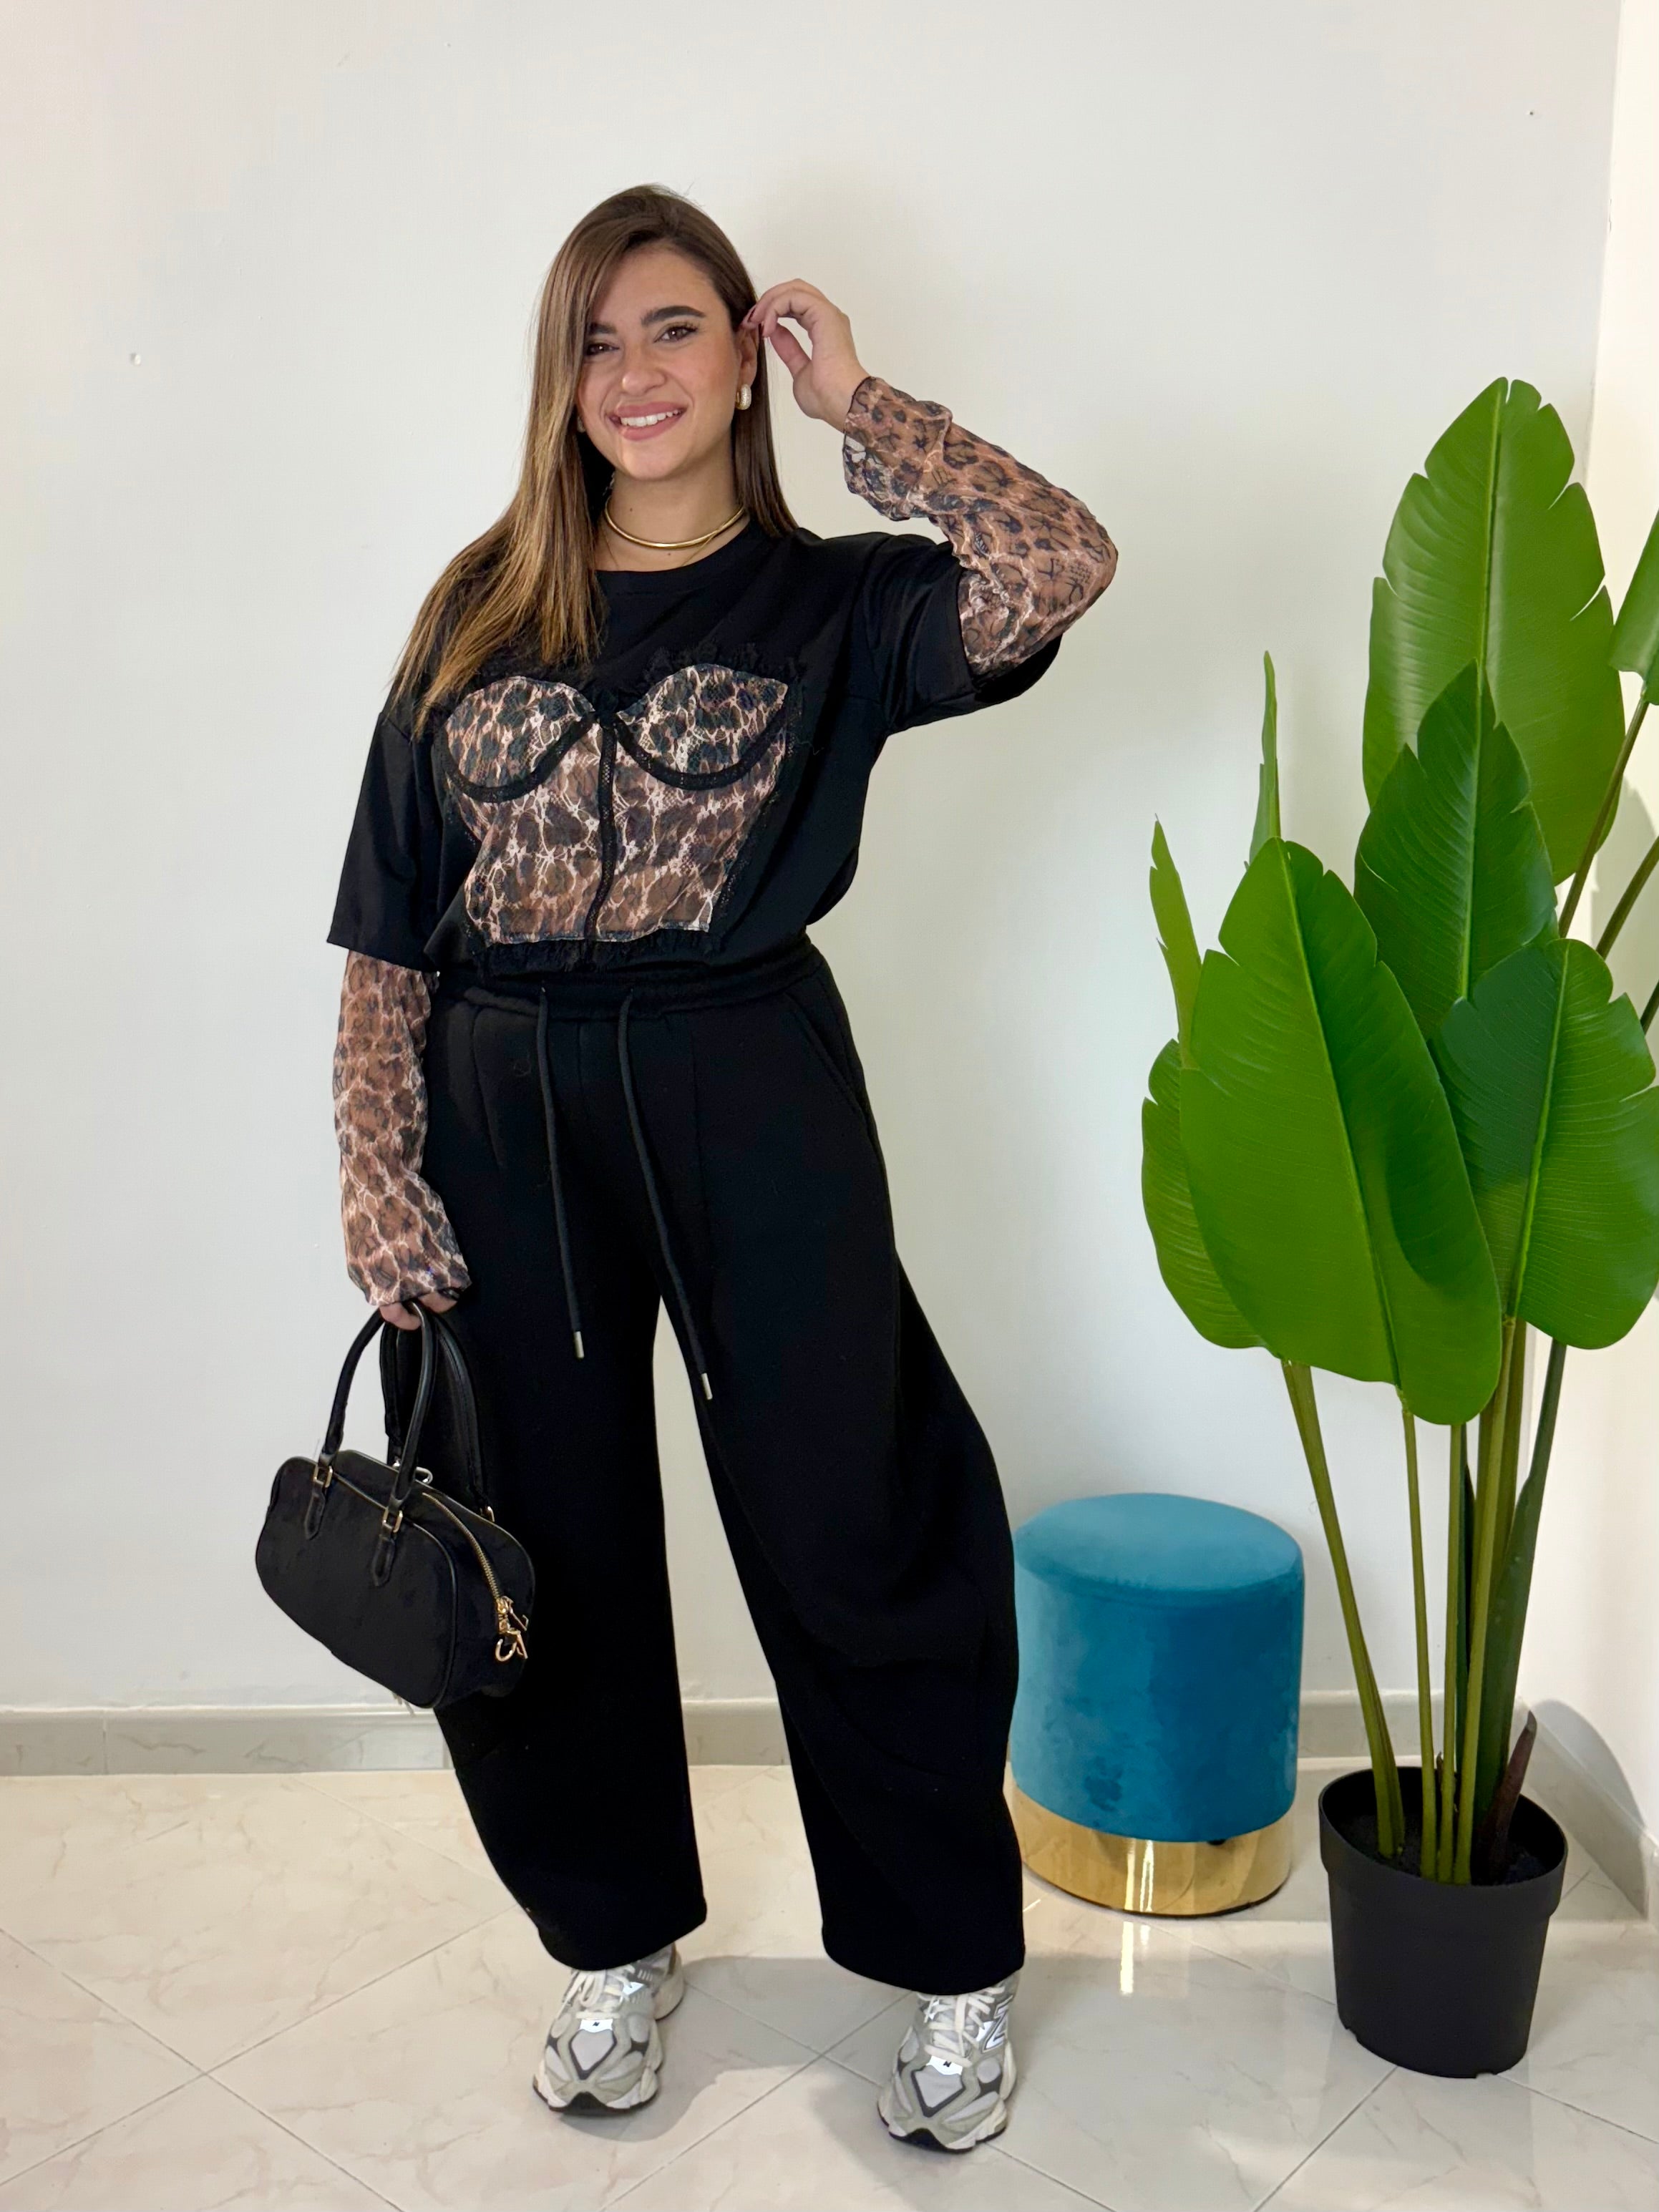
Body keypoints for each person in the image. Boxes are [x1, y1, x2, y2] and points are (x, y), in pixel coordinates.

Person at [328, 182, 1114, 2153]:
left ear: (743, 353)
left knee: (857, 1510)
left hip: (748, 1077)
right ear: (559, 376)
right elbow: (389, 920)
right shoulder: (479, 603)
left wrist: (866, 405)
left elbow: (1062, 560)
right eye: (595, 339)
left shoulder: (834, 601)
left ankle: (950, 1960)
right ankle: (610, 1939)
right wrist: (376, 1167)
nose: (635, 373)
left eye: (675, 326)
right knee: (539, 1534)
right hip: (502, 1109)